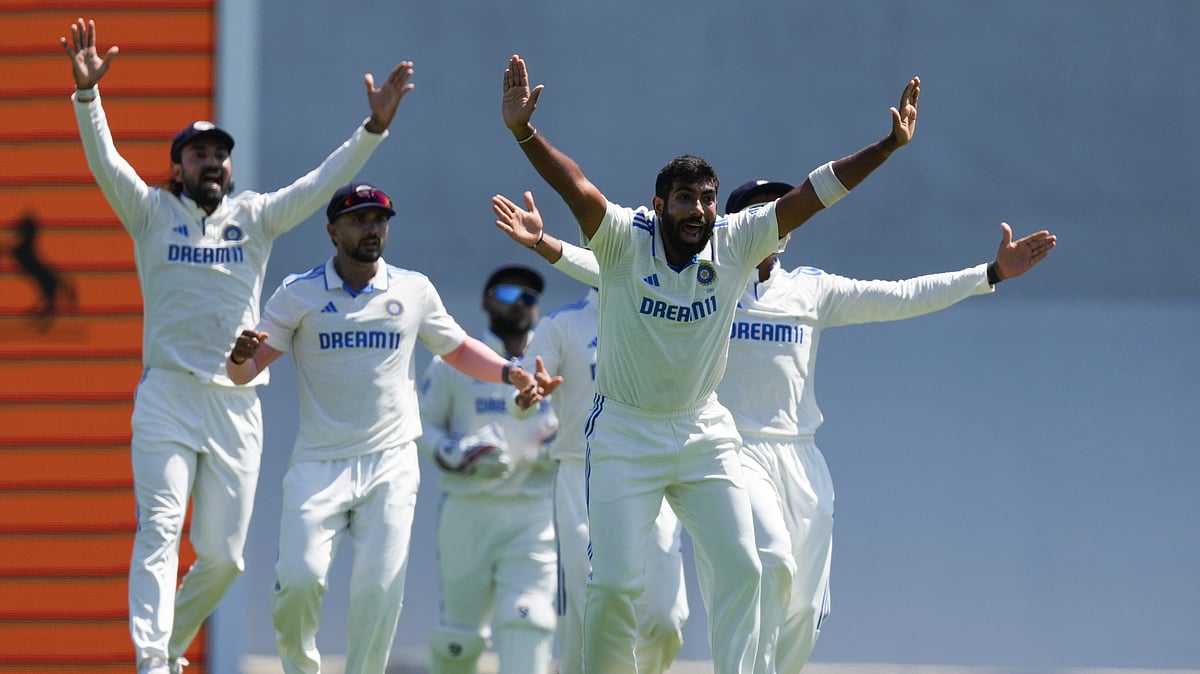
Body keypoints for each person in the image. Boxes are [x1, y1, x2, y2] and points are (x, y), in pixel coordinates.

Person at [493, 182, 1057, 674]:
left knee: (805, 609)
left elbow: (902, 296)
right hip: (726, 451)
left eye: (782, 212)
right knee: (766, 561)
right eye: (764, 211)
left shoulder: (810, 290)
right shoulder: (707, 275)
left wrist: (988, 274)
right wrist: (545, 244)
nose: (778, 223)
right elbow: (605, 266)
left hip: (800, 457)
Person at [498, 53, 919, 673]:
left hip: (703, 430)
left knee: (745, 570)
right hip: (624, 431)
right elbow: (577, 186)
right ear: (659, 203)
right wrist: (524, 132)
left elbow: (813, 194)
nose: (698, 211)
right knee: (613, 588)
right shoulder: (621, 237)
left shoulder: (737, 241)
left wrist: (886, 146)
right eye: (686, 199)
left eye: (707, 200)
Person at [61, 17, 415, 674]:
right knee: (160, 532)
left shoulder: (254, 218)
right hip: (166, 394)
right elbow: (104, 163)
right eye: (200, 155)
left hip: (234, 402)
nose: (213, 163)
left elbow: (319, 185)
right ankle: (149, 662)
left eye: (221, 154)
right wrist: (89, 98)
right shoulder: (149, 212)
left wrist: (373, 129)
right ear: (179, 167)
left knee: (225, 560)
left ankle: (168, 645)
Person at [223, 183, 551, 674]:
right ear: (333, 231)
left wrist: (509, 371)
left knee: (378, 589)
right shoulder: (298, 294)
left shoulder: (412, 289)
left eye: (379, 220)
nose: (372, 229)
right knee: (298, 580)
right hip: (319, 462)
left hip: (390, 461)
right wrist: (237, 360)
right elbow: (246, 374)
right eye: (358, 220)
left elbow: (457, 348)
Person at [518, 282, 691, 674]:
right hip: (583, 475)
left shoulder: (665, 313)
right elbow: (524, 396)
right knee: (585, 610)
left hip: (651, 471)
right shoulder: (563, 324)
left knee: (665, 617)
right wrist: (529, 394)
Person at [416, 265, 562, 674]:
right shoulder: (455, 361)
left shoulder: (552, 362)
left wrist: (557, 449)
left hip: (532, 511)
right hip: (467, 510)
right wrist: (455, 452)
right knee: (458, 639)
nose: (520, 304)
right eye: (509, 294)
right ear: (485, 301)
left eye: (529, 297)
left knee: (529, 618)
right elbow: (421, 424)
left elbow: (583, 425)